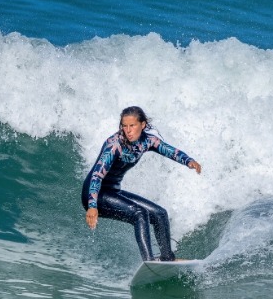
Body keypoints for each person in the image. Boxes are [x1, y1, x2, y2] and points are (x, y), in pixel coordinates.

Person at [81, 106, 202, 261]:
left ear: (143, 125)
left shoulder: (147, 141)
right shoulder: (114, 145)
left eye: (132, 126)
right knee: (139, 213)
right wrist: (92, 206)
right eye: (125, 126)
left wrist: (188, 161)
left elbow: (169, 150)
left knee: (160, 214)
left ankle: (167, 258)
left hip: (113, 192)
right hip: (95, 194)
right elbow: (97, 176)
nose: (128, 130)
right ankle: (149, 261)